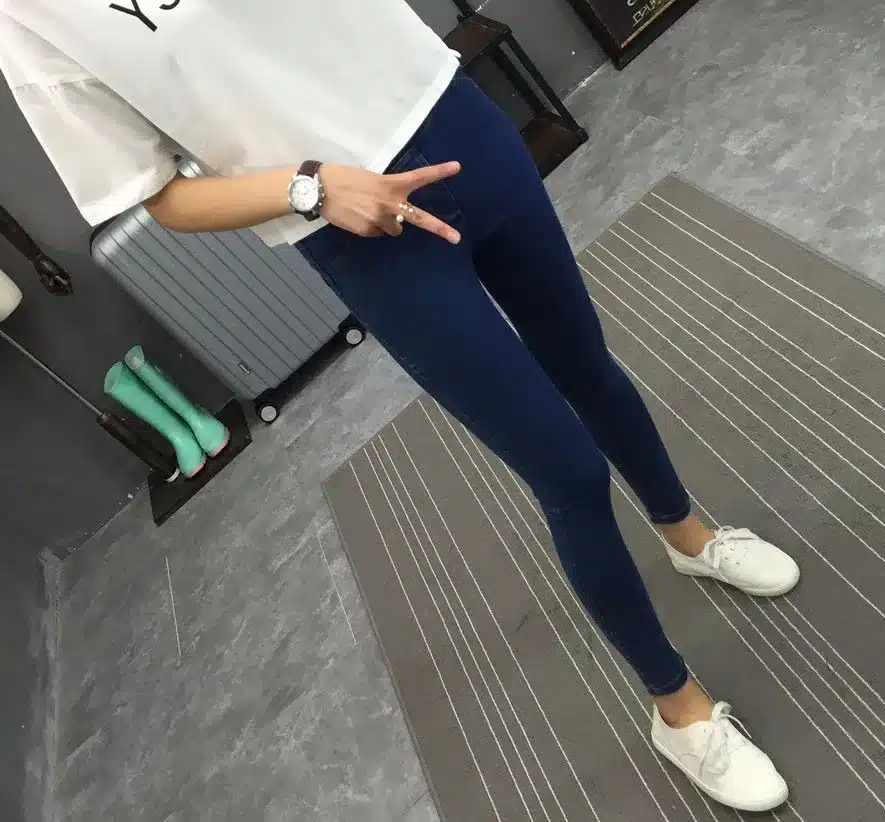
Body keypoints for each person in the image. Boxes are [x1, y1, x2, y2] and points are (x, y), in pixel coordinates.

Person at [0, 1, 798, 812]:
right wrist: (309, 188)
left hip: (450, 117)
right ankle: (677, 709)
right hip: (357, 227)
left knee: (590, 369)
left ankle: (689, 537)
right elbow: (157, 194)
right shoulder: (30, 19)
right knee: (568, 471)